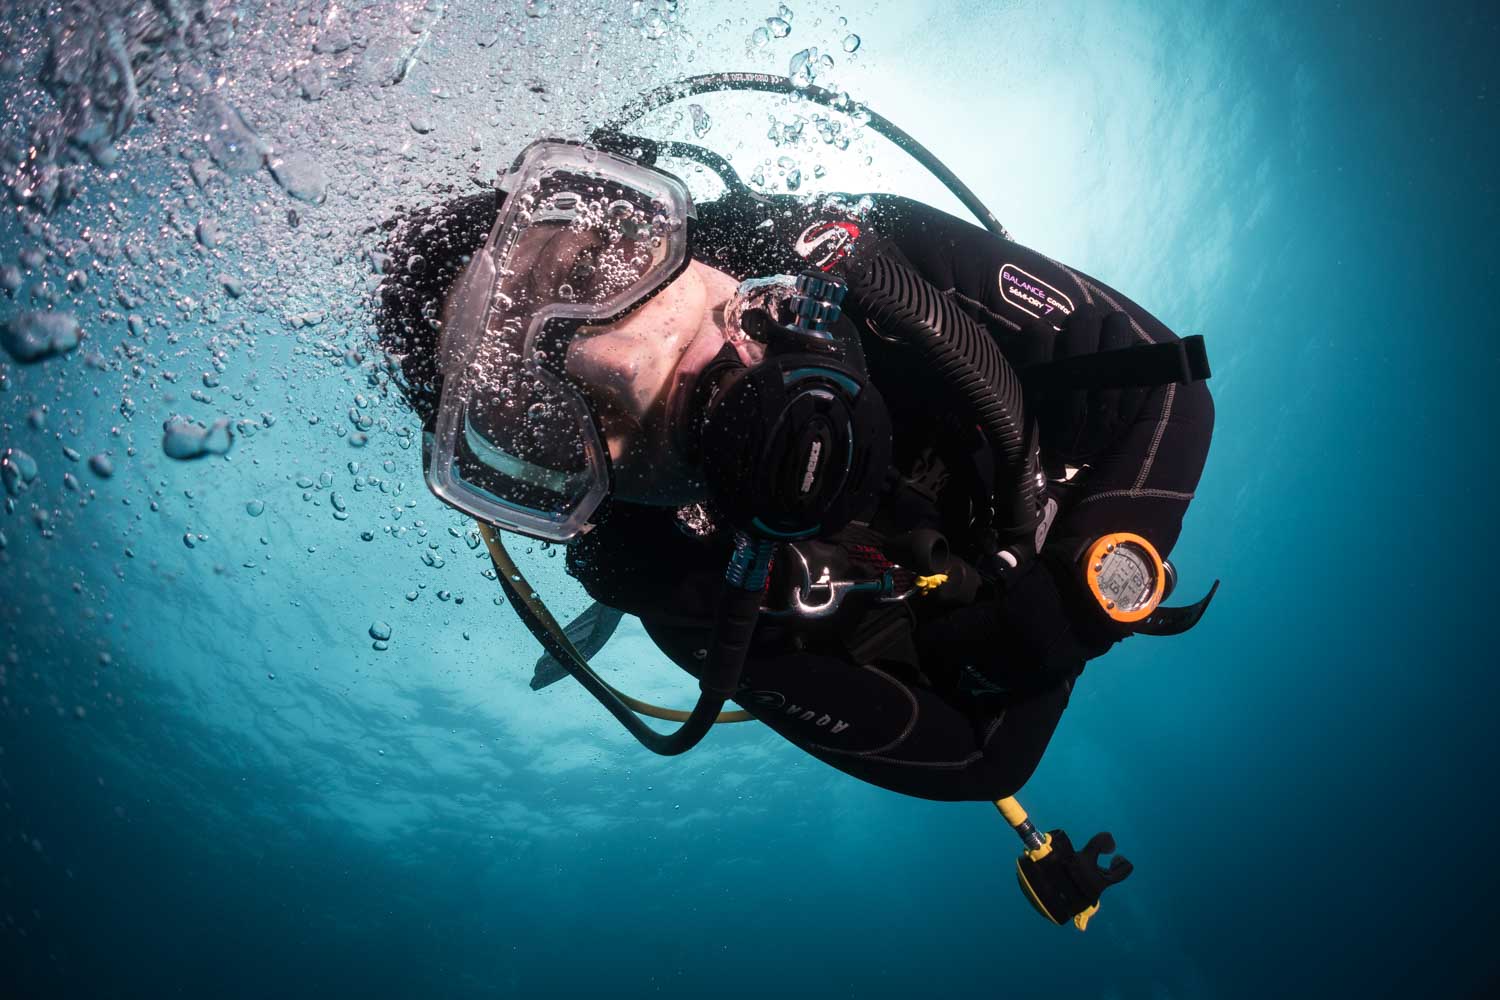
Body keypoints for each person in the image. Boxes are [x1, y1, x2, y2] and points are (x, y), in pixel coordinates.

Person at [375, 127, 1214, 807]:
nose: (628, 369)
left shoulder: (877, 255)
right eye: (544, 419)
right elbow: (979, 760)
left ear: (656, 216)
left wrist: (1093, 563)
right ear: (549, 485)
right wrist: (1036, 637)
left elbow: (1165, 379)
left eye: (594, 269)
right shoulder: (685, 595)